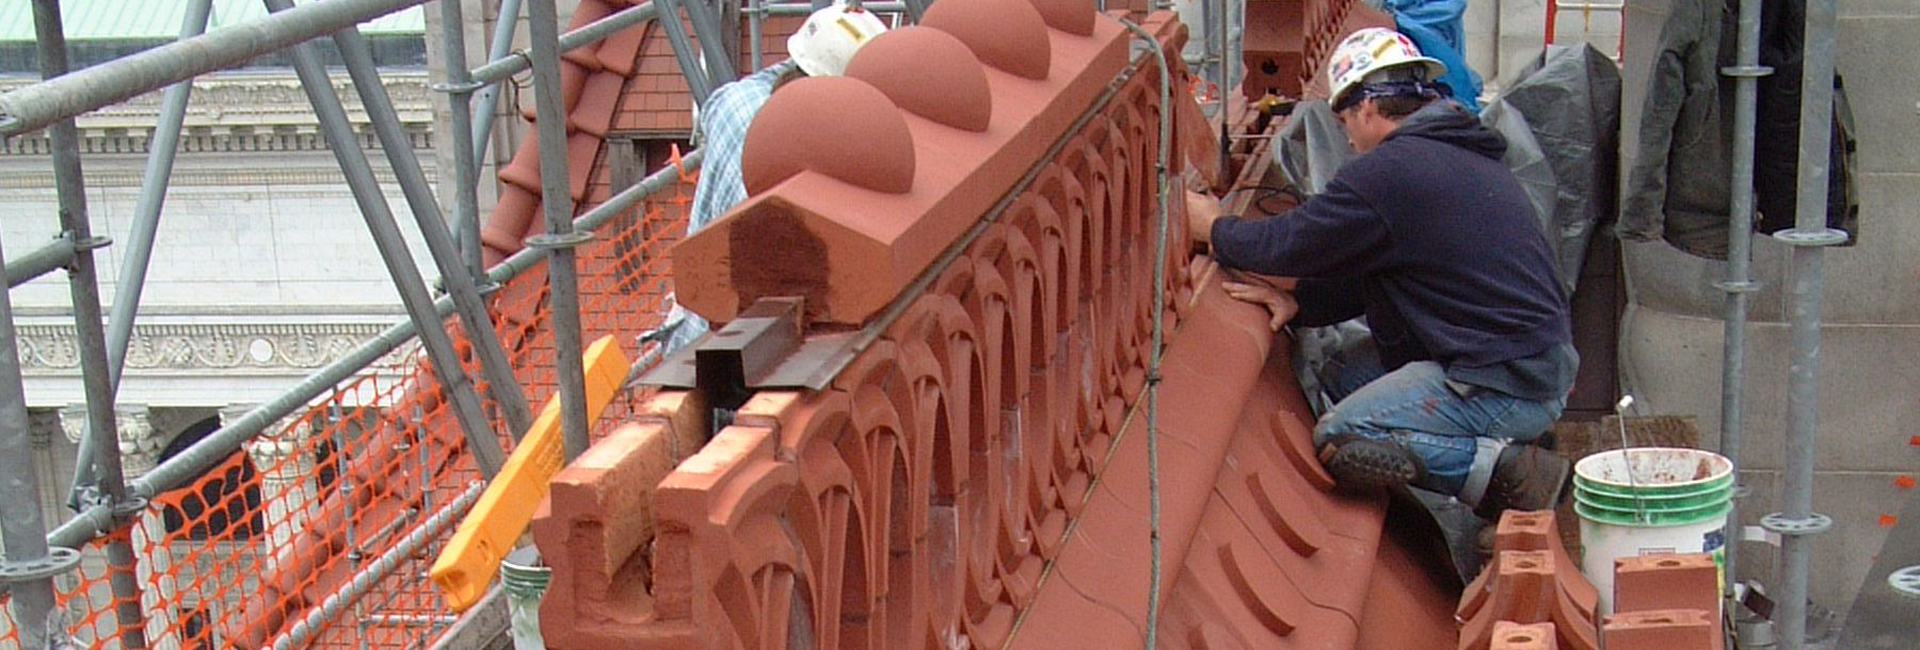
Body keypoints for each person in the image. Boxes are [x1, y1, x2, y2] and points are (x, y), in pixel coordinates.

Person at [1185, 28, 1577, 519]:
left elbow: (1292, 243)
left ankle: (1510, 470)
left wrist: (1214, 227)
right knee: (1341, 372)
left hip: (1508, 381)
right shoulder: (1453, 149)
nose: (1346, 136)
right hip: (1530, 364)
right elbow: (1382, 269)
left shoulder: (1392, 171)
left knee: (1344, 434)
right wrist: (1303, 304)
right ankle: (1501, 438)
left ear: (1368, 107)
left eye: (1345, 116)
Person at [652, 3, 889, 354]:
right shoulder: (796, 162)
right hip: (733, 349)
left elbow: (793, 69)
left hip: (692, 332)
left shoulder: (736, 100)